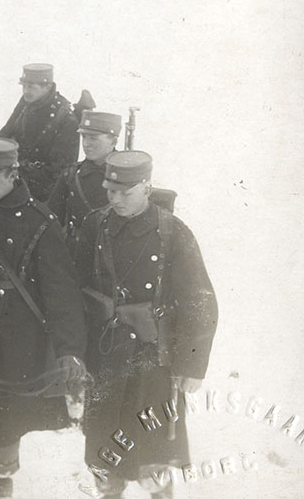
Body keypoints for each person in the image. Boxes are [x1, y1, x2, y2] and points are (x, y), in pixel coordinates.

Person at [75, 151, 218, 499]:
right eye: (110, 191)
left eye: (125, 192)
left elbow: (199, 300)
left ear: (146, 188)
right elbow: (75, 284)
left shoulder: (173, 232)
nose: (115, 199)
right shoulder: (95, 225)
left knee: (153, 454)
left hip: (154, 361)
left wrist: (192, 363)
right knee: (104, 453)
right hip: (105, 356)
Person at [0, 138, 87, 498]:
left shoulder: (39, 221)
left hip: (18, 337)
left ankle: (0, 478)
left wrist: (69, 349)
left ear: (12, 174)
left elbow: (61, 291)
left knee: (7, 415)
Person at [0, 63, 80, 201]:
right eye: (24, 86)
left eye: (31, 87)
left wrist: (16, 173)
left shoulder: (65, 119)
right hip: (14, 181)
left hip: (43, 194)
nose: (25, 91)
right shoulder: (26, 102)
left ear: (47, 87)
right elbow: (5, 133)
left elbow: (58, 171)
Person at [47, 110, 121, 250]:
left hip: (112, 252)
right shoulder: (71, 175)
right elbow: (52, 219)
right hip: (77, 251)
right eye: (84, 137)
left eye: (93, 138)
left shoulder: (127, 177)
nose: (86, 144)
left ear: (113, 141)